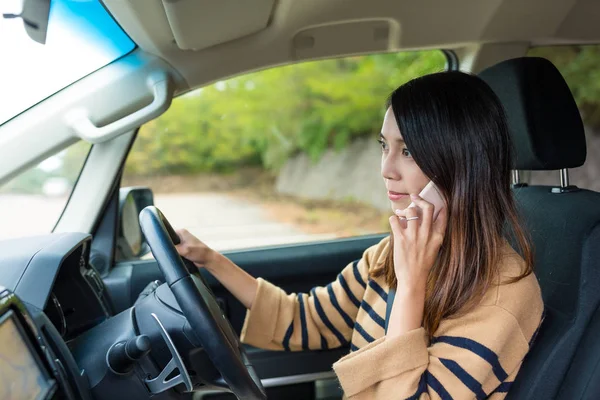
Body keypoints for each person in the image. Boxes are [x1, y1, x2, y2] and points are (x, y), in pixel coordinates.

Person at [175, 71, 544, 399]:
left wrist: (411, 284)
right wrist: (209, 259)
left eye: (408, 151)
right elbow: (304, 319)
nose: (386, 169)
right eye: (385, 146)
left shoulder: (503, 296)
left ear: (461, 164)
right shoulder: (390, 252)